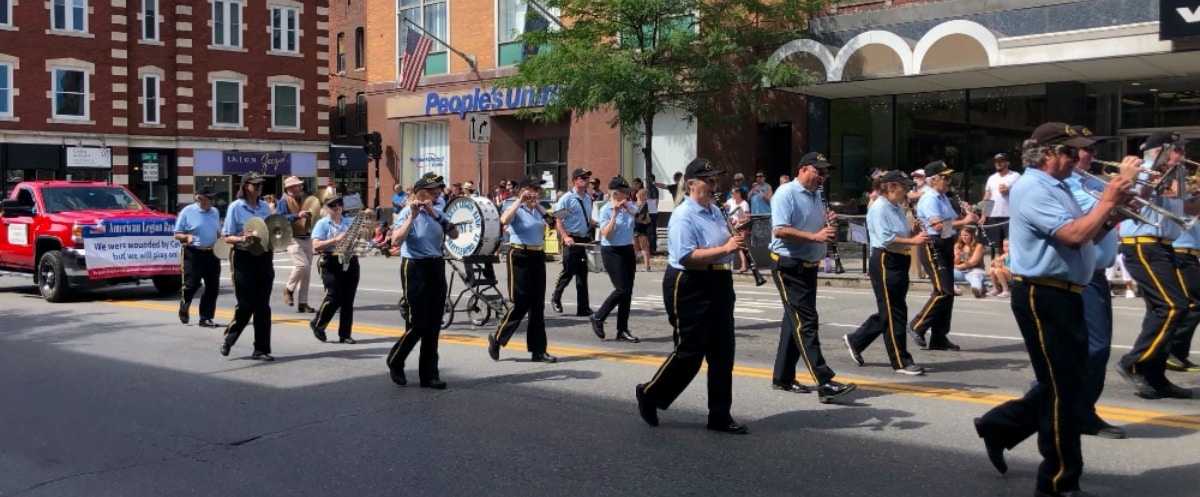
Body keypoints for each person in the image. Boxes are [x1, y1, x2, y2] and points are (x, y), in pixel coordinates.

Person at [974, 122, 1135, 497]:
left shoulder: (1059, 187)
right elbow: (1073, 236)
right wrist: (1109, 199)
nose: (1078, 158)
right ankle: (1059, 482)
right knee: (1064, 390)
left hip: (1065, 292)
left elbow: (1087, 235)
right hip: (1043, 294)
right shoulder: (1031, 187)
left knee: (1065, 385)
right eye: (1070, 151)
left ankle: (1000, 425)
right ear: (1047, 154)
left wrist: (1112, 214)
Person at [635, 157, 747, 434]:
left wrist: (737, 233)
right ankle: (650, 393)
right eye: (709, 180)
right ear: (692, 184)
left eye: (716, 180)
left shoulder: (716, 211)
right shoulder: (683, 215)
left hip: (719, 279)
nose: (714, 184)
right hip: (690, 282)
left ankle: (720, 415)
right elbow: (686, 256)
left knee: (723, 352)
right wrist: (727, 247)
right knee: (690, 353)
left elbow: (724, 242)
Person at [1114, 131, 1200, 398]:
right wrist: (1161, 173)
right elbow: (1139, 196)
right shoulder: (1141, 169)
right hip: (1143, 242)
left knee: (1162, 310)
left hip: (1164, 245)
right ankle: (1134, 363)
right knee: (1174, 306)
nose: (1182, 155)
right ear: (1160, 151)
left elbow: (1190, 210)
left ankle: (1155, 375)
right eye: (1177, 150)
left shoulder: (1177, 175)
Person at [768, 152, 857, 403]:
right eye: (820, 171)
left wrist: (827, 223)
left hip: (808, 264)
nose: (823, 177)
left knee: (793, 320)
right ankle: (824, 380)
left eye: (826, 173)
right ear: (804, 169)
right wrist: (816, 237)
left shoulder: (817, 195)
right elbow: (780, 230)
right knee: (806, 321)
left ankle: (783, 377)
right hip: (789, 264)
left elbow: (813, 226)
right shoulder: (786, 193)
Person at [1062, 129, 1129, 439]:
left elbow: (1106, 221)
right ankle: (1071, 410)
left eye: (1092, 148)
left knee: (1096, 348)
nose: (1089, 154)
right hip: (1078, 273)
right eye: (1084, 149)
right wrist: (1114, 197)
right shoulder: (1069, 185)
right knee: (1091, 347)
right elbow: (1087, 222)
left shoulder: (1093, 182)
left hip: (1097, 273)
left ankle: (1079, 410)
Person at [843, 170, 928, 375]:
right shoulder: (880, 208)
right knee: (894, 312)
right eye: (904, 187)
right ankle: (901, 360)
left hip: (900, 259)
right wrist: (913, 241)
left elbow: (902, 232)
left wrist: (915, 232)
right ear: (891, 187)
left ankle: (857, 339)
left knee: (892, 308)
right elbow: (886, 238)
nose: (907, 190)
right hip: (885, 259)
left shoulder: (897, 207)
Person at [387, 173, 460, 389]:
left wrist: (434, 215)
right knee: (419, 322)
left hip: (436, 265)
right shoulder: (406, 212)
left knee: (434, 324)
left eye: (439, 189)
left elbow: (454, 234)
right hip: (415, 267)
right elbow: (395, 241)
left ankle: (429, 375)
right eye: (434, 189)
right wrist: (412, 216)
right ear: (423, 192)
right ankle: (396, 360)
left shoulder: (437, 211)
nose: (439, 191)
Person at [488, 175, 558, 363]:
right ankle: (497, 339)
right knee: (520, 304)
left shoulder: (538, 209)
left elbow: (553, 223)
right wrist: (519, 201)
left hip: (537, 255)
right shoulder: (513, 205)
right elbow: (504, 220)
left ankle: (538, 350)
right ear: (524, 189)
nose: (537, 193)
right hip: (519, 255)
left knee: (537, 306)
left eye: (538, 190)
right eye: (533, 189)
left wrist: (538, 206)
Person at [908, 160, 977, 351]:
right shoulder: (930, 198)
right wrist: (964, 220)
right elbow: (937, 226)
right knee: (943, 291)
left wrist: (967, 214)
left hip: (946, 243)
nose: (949, 181)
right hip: (933, 244)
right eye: (946, 178)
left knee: (949, 294)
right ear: (934, 180)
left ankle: (939, 337)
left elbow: (952, 221)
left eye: (949, 178)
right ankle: (917, 325)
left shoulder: (943, 197)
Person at [219, 172, 277, 361]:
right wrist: (242, 238)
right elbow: (227, 236)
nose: (259, 187)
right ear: (245, 186)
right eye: (255, 184)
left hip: (263, 257)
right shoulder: (236, 207)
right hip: (243, 257)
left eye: (260, 184)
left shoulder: (265, 207)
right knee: (246, 304)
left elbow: (270, 232)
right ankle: (230, 337)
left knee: (263, 306)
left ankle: (261, 349)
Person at [590, 176, 641, 343]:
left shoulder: (629, 205)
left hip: (627, 249)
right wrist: (615, 213)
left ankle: (622, 329)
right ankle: (598, 317)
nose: (628, 195)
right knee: (621, 289)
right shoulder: (605, 210)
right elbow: (606, 233)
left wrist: (631, 210)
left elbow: (643, 220)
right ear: (615, 193)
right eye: (625, 193)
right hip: (611, 251)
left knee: (628, 292)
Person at [308, 194, 360, 345]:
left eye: (338, 203)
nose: (336, 207)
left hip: (349, 259)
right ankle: (318, 323)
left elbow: (362, 237)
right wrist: (335, 240)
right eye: (332, 205)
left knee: (348, 299)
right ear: (326, 208)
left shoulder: (349, 222)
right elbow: (316, 245)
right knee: (334, 296)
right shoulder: (323, 224)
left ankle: (345, 334)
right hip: (330, 260)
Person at [551, 168, 598, 316]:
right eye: (583, 178)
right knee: (568, 271)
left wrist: (598, 224)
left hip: (583, 238)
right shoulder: (568, 199)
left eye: (587, 179)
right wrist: (565, 237)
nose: (587, 182)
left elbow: (588, 219)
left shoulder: (587, 198)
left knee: (582, 274)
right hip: (571, 238)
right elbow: (558, 220)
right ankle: (556, 297)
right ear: (575, 181)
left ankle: (583, 307)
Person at [174, 186, 222, 328]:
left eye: (214, 198)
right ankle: (185, 303)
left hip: (212, 252)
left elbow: (218, 232)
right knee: (192, 284)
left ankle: (205, 317)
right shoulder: (188, 212)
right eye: (210, 198)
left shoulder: (215, 212)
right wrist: (186, 236)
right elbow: (176, 234)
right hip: (193, 252)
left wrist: (224, 240)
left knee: (212, 287)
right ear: (199, 198)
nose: (213, 201)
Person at [277, 176, 317, 313]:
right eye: (298, 185)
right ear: (290, 188)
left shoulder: (304, 199)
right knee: (302, 265)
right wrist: (298, 215)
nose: (301, 187)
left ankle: (303, 303)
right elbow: (280, 218)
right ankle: (288, 289)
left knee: (307, 272)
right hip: (292, 237)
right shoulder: (283, 201)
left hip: (306, 236)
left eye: (301, 185)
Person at [982, 153, 1020, 246]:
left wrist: (1009, 191)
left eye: (1001, 161)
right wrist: (984, 215)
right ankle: (999, 261)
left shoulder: (1015, 176)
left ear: (1007, 163)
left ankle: (1010, 261)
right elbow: (988, 197)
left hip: (1010, 217)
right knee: (997, 246)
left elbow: (1023, 194)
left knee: (1010, 245)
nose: (998, 163)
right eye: (996, 161)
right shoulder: (992, 178)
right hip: (994, 217)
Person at [953, 227, 988, 298]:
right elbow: (955, 262)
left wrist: (957, 266)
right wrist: (958, 256)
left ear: (972, 235)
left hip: (975, 270)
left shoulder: (979, 246)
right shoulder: (957, 245)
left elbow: (973, 262)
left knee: (975, 277)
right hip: (961, 272)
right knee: (945, 273)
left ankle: (978, 290)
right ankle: (954, 289)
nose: (964, 237)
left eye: (966, 235)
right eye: (962, 235)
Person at [726, 188, 750, 272]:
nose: (731, 195)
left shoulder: (744, 203)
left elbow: (747, 218)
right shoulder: (731, 201)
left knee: (740, 246)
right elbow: (722, 205)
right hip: (732, 227)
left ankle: (744, 265)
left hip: (741, 227)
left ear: (738, 194)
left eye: (732, 193)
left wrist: (738, 221)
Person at [634, 188, 653, 271]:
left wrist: (647, 217)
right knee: (634, 247)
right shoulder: (633, 204)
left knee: (644, 246)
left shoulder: (648, 204)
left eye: (644, 194)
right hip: (634, 226)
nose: (642, 196)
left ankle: (647, 266)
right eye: (640, 194)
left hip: (642, 227)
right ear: (637, 194)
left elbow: (652, 217)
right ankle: (632, 265)